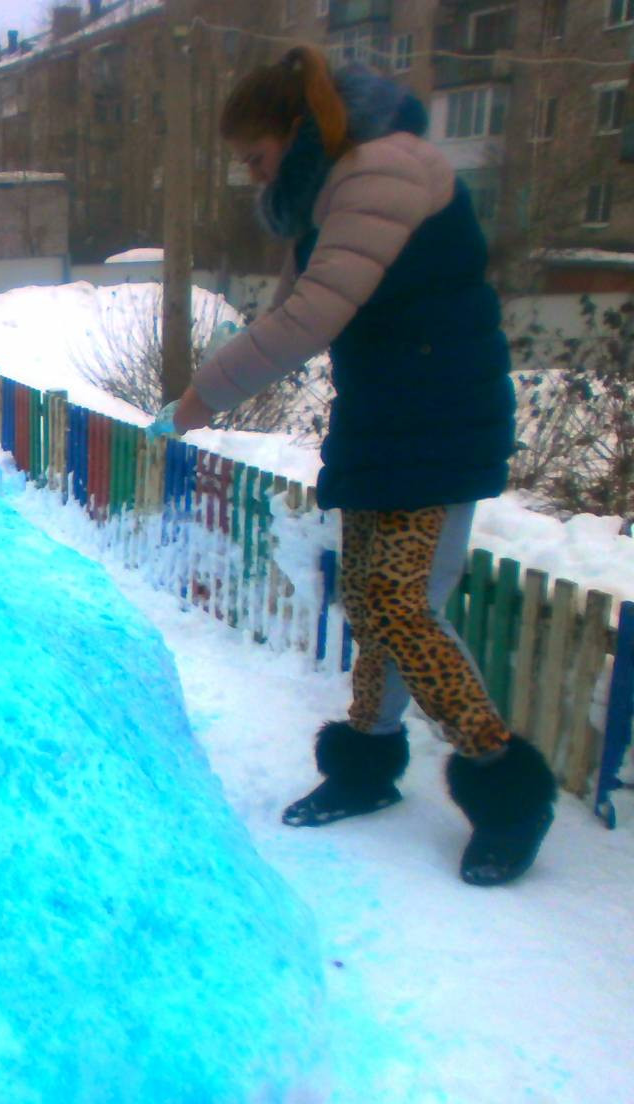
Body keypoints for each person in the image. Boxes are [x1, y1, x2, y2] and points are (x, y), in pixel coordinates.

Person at [171, 47, 555, 887]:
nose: (250, 175)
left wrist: (203, 396)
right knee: (373, 597)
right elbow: (295, 304)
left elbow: (311, 314)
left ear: (297, 130)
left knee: (396, 599)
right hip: (387, 416)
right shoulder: (329, 187)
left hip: (438, 419)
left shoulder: (379, 170)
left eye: (255, 157)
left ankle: (506, 785)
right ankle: (367, 766)